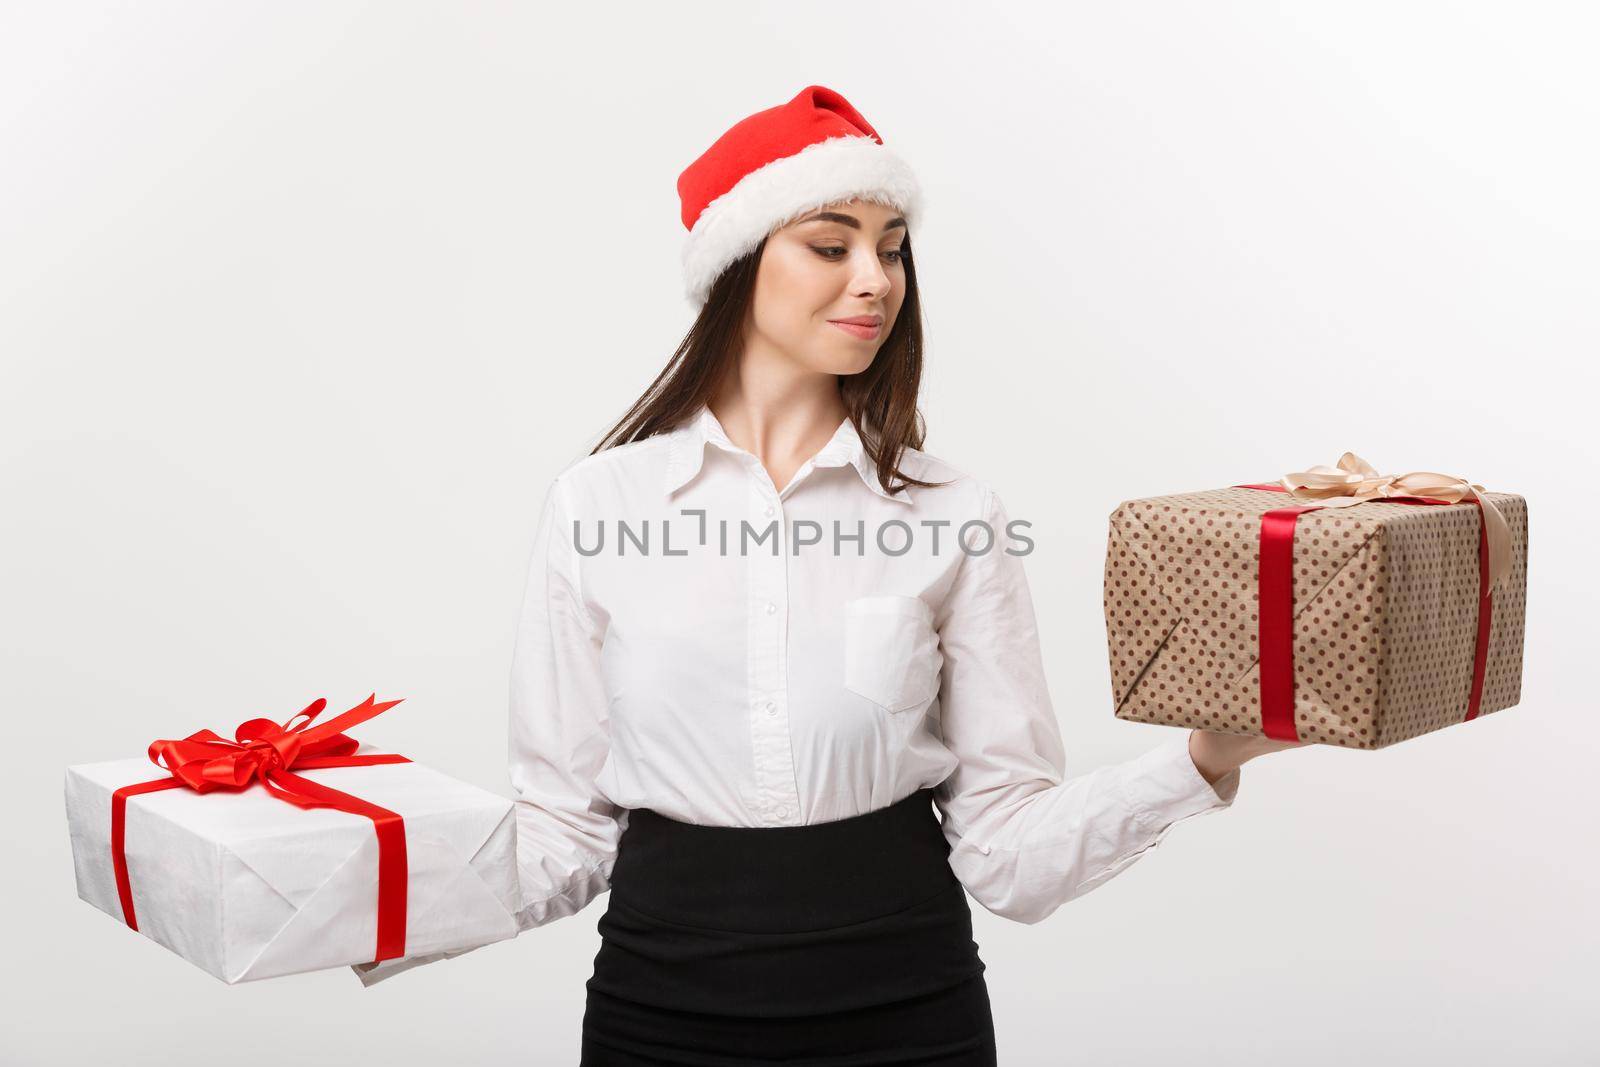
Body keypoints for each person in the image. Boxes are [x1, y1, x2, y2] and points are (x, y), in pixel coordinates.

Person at [355, 84, 1303, 1064]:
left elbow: (1008, 855)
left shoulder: (952, 513)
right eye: (830, 242)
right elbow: (562, 839)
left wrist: (1200, 761)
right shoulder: (599, 506)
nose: (876, 279)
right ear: (737, 260)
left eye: (891, 246)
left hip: (908, 1010)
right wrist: (351, 897)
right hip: (661, 1015)